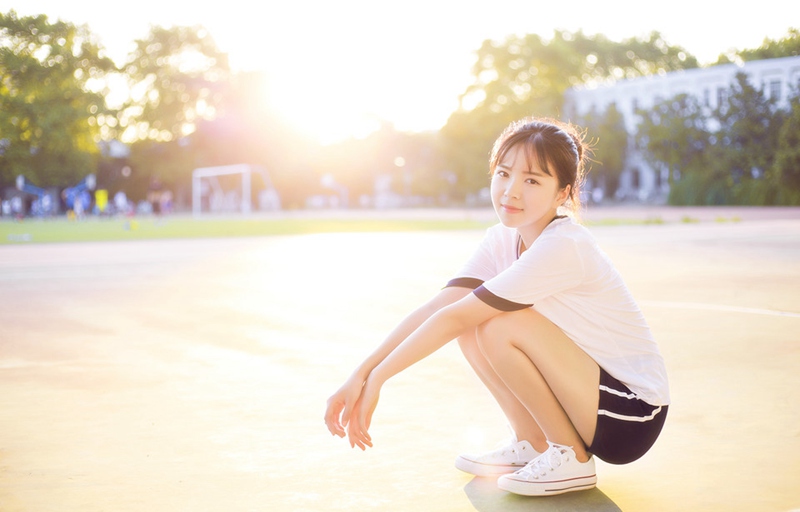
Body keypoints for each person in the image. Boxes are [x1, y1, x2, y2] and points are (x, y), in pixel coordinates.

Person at [324, 117, 670, 497]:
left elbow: (455, 316)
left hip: (632, 414)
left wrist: (378, 379)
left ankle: (571, 457)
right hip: (589, 394)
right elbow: (439, 308)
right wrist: (360, 374)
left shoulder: (564, 245)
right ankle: (533, 442)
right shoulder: (502, 238)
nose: (511, 191)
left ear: (562, 193)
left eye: (532, 180)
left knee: (496, 323)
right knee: (476, 323)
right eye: (504, 173)